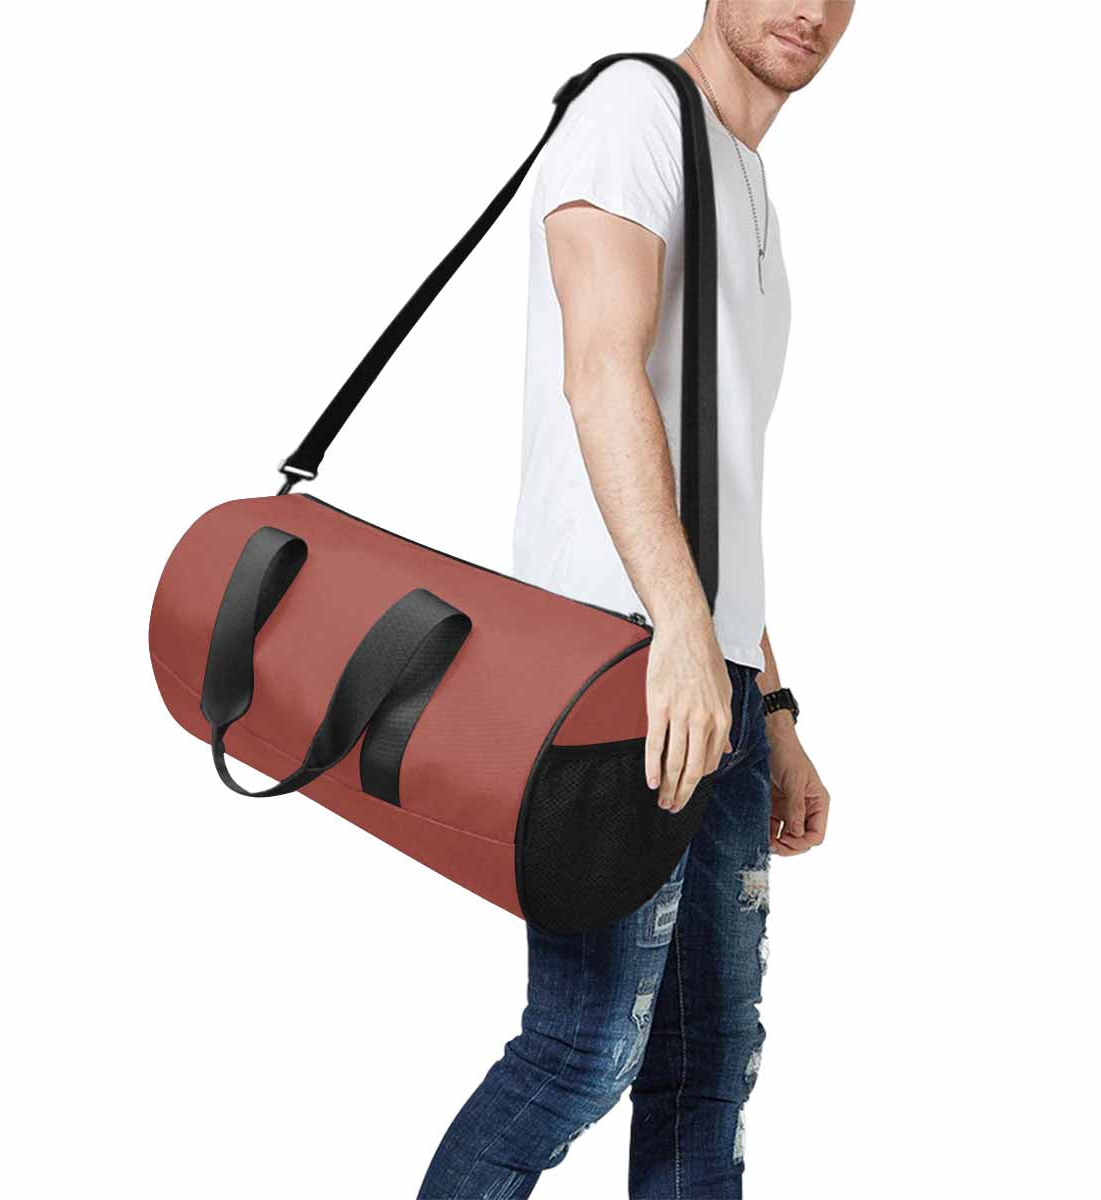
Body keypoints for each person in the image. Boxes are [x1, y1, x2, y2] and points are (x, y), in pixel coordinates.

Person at [419, 3, 853, 1196]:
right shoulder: (633, 111)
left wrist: (772, 705)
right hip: (616, 669)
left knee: (710, 1062)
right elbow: (600, 369)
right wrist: (677, 631)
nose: (812, 9)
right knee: (583, 1051)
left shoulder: (746, 176)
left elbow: (712, 483)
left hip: (709, 675)